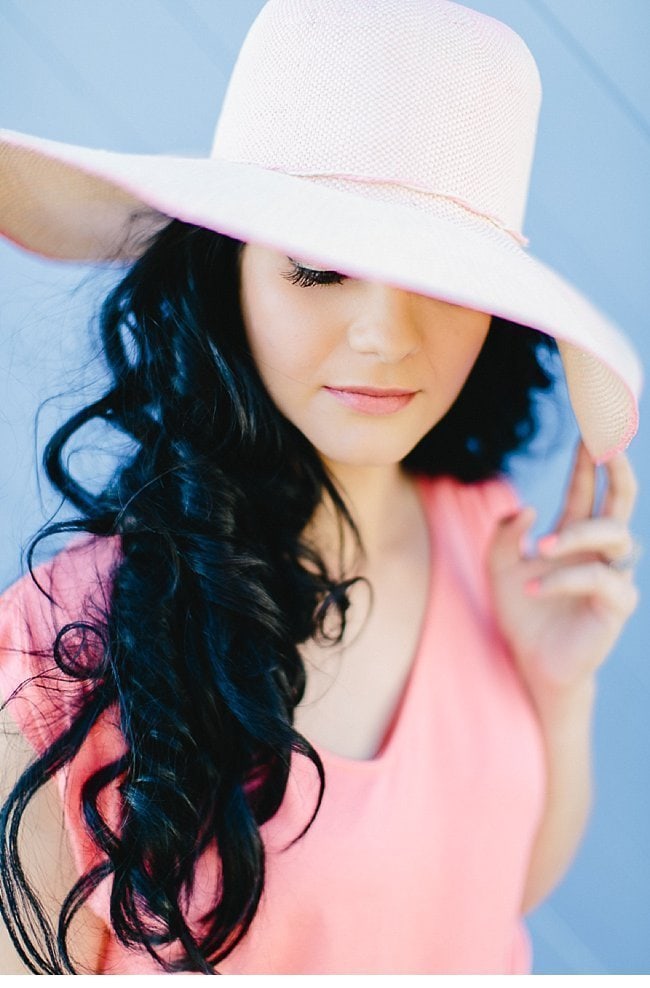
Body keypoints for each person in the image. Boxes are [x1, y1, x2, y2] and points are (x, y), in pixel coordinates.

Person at [0, 0, 642, 976]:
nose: (385, 335)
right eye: (319, 268)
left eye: (442, 280)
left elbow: (491, 894)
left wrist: (558, 687)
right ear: (229, 271)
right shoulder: (57, 651)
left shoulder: (489, 536)